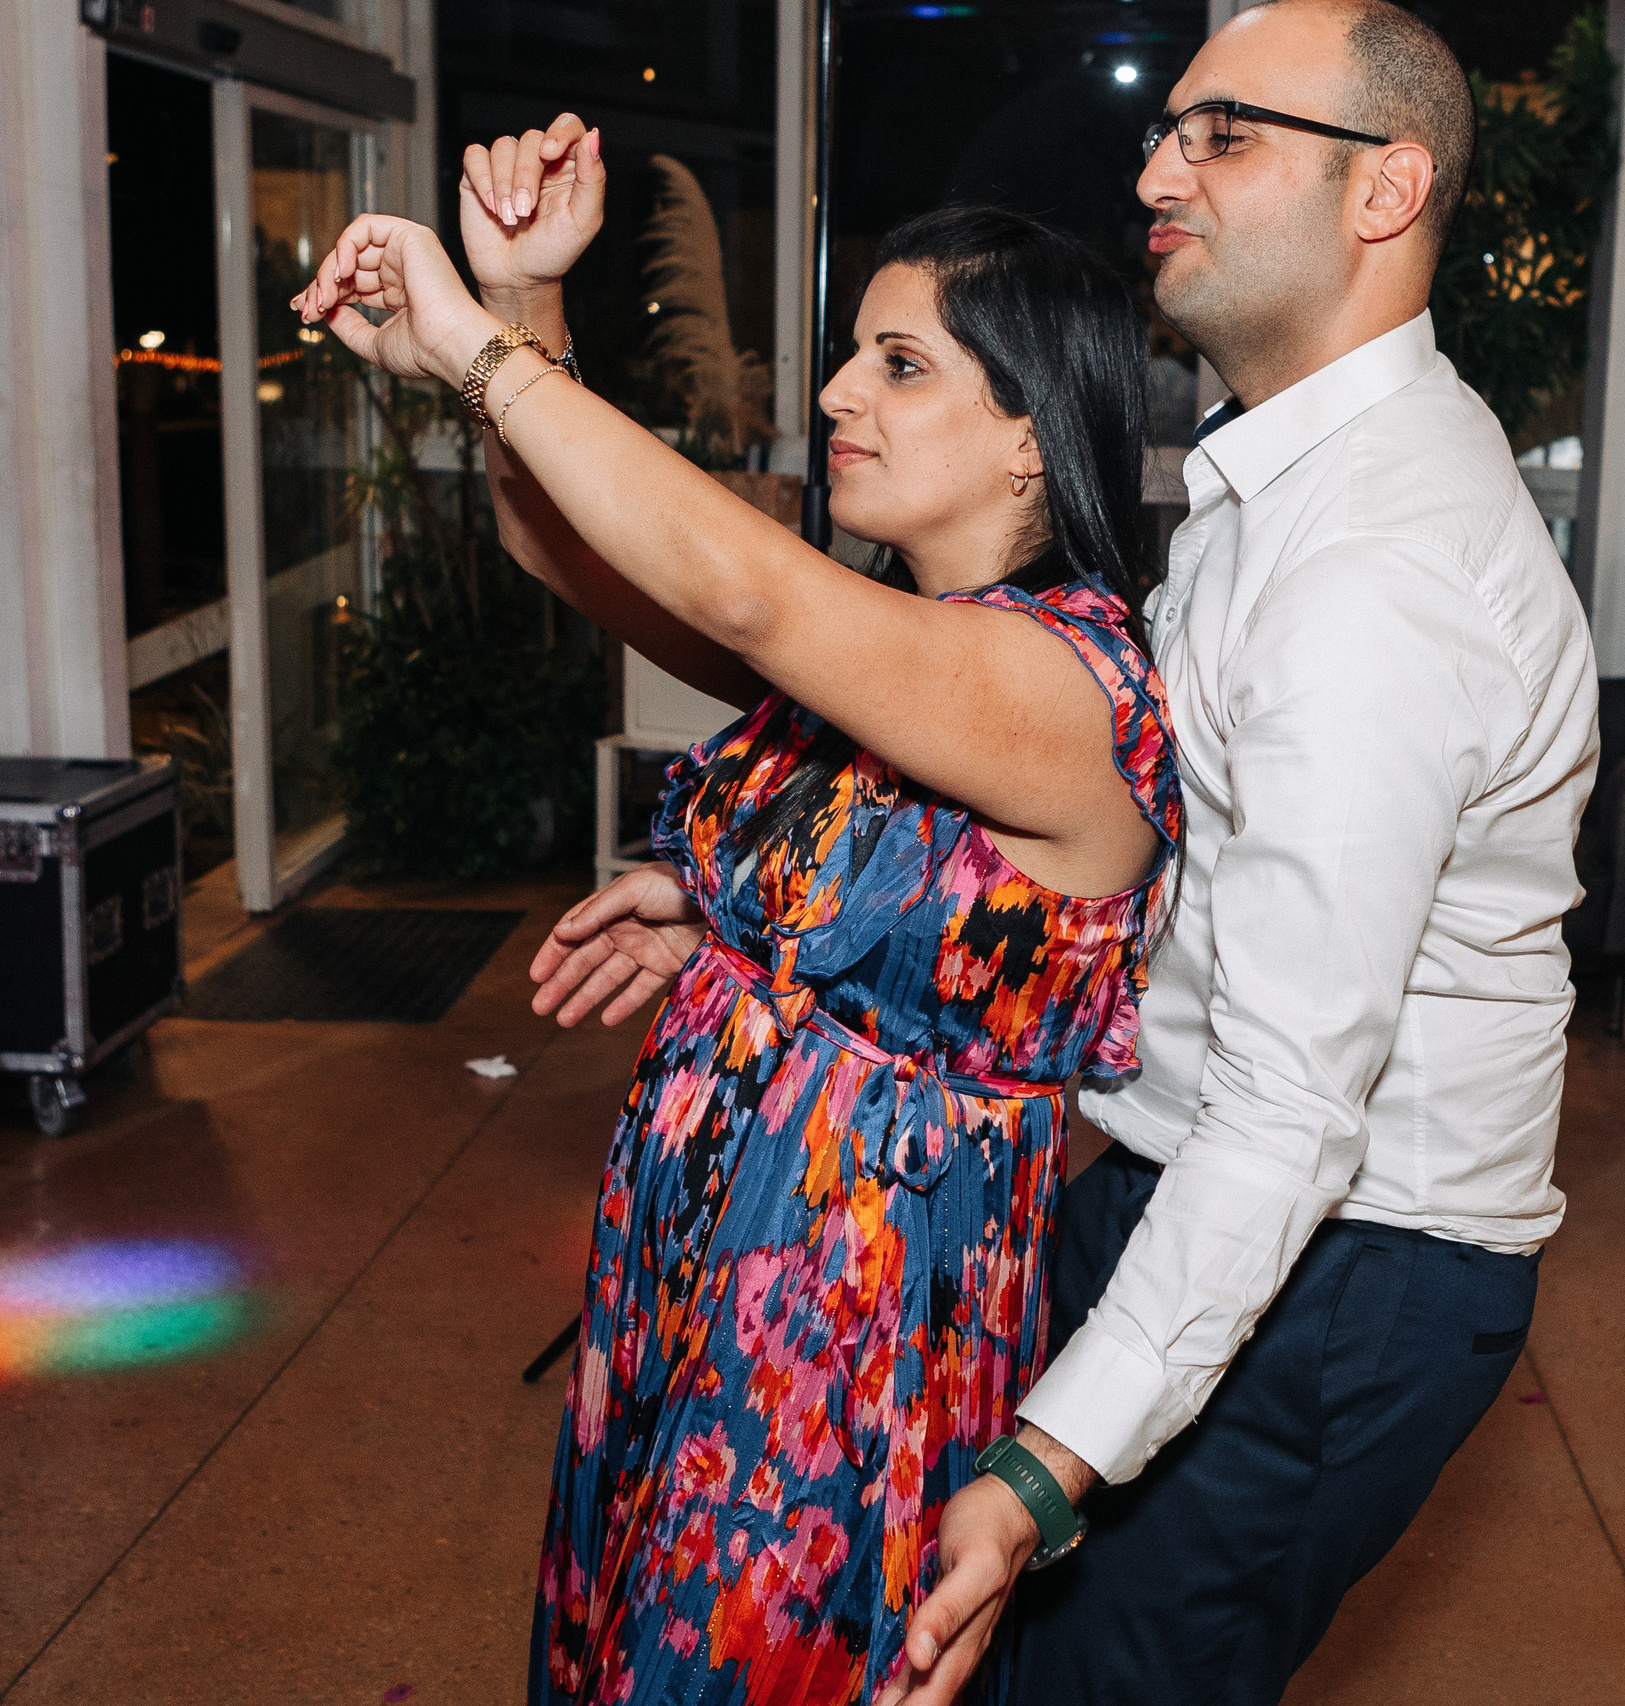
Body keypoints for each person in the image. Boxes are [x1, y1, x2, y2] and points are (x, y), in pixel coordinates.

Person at [290, 160, 1183, 1701]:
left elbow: (750, 599)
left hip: (849, 1324)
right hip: (692, 1264)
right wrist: (526, 296)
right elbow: (565, 549)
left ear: (1034, 437)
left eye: (901, 365)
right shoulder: (902, 641)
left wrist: (476, 350)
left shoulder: (1072, 687)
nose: (840, 389)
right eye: (854, 351)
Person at [897, 3, 1602, 1701]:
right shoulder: (1283, 483)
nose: (1157, 170)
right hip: (1211, 1188)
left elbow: (1296, 1100)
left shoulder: (1376, 572)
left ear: (1389, 192)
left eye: (1224, 135)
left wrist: (1048, 1462)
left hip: (1344, 1266)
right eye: (1172, 133)